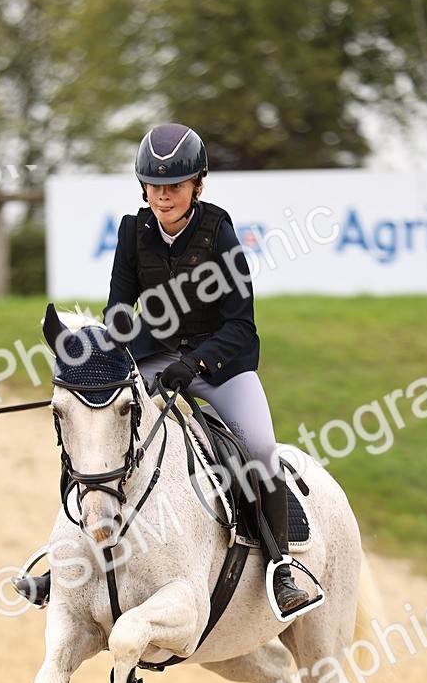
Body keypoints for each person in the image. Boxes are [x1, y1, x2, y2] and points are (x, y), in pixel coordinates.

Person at [17, 122, 309, 617]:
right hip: (152, 362)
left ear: (198, 184)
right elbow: (118, 314)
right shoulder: (133, 233)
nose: (164, 195)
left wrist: (192, 365)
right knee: (96, 426)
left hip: (222, 365)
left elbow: (241, 325)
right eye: (155, 185)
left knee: (259, 445)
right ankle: (66, 564)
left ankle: (282, 566)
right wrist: (103, 365)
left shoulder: (219, 233)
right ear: (143, 188)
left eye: (175, 185)